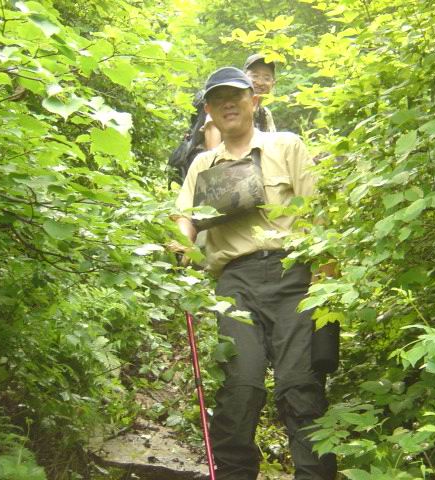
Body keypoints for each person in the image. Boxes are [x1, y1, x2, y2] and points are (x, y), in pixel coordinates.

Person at [174, 67, 336, 480]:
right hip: (235, 283)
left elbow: (318, 215)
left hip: (294, 277)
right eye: (218, 99)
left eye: (237, 96)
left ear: (255, 101)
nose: (228, 104)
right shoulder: (203, 164)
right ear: (209, 110)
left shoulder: (287, 145)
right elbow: (184, 218)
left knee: (300, 386)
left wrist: (326, 284)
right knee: (240, 388)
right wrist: (180, 243)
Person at [203, 54, 276, 150]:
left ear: (273, 83)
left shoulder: (265, 114)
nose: (260, 82)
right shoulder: (224, 111)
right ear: (244, 77)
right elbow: (213, 153)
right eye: (255, 76)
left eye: (266, 78)